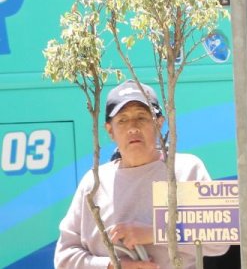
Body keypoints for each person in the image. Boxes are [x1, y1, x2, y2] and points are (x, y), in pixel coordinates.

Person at [54, 80, 230, 269]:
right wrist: (113, 266)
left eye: (142, 117)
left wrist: (154, 232)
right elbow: (64, 258)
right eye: (122, 120)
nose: (133, 127)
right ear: (110, 130)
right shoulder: (93, 183)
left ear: (159, 123)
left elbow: (220, 240)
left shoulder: (186, 169)